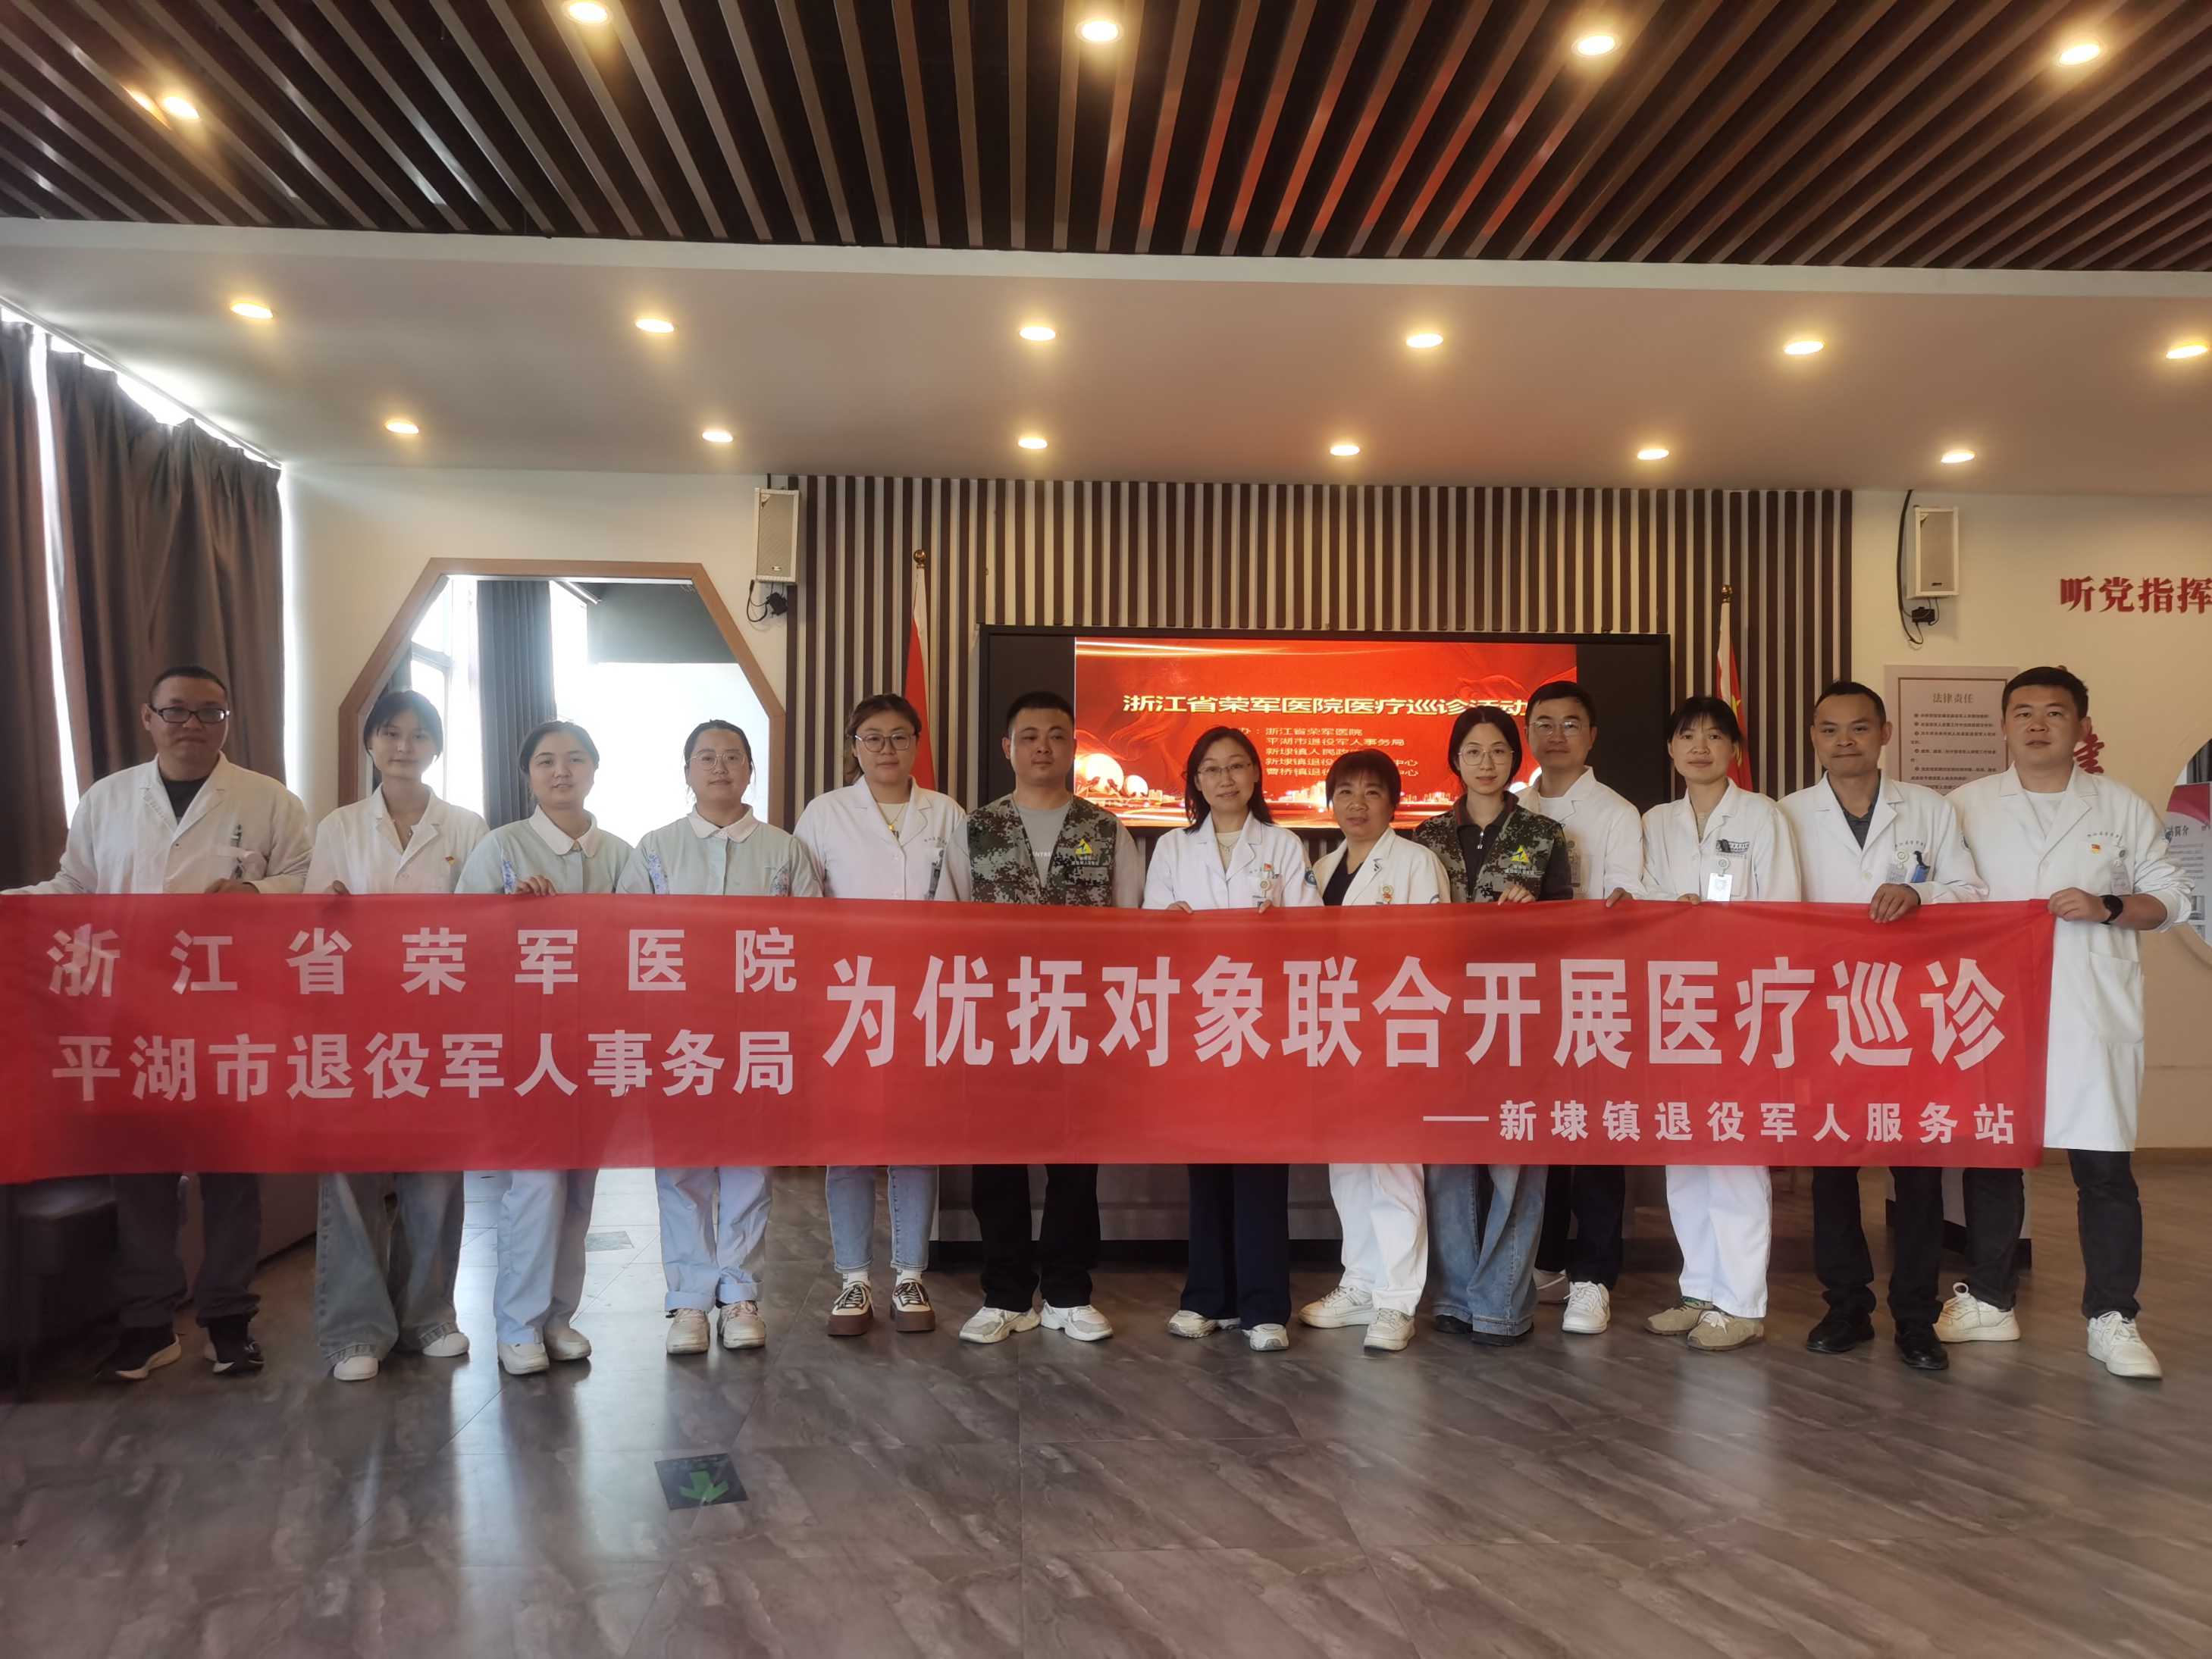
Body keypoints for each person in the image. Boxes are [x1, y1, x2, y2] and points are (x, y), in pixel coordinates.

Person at [9, 664, 312, 1383]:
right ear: (148, 717)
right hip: (132, 1015)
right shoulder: (107, 799)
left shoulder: (270, 800)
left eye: (210, 712)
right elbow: (74, 887)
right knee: (142, 1173)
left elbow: (307, 877)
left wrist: (255, 892)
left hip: (231, 1013)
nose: (192, 724)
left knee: (231, 1175)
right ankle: (148, 1324)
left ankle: (229, 1321)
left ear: (228, 721)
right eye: (176, 710)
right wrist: (10, 905)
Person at [1943, 667, 2191, 1379]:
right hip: (1992, 1008)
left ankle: (2113, 1317)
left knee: (2104, 1168)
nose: (2037, 724)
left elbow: (2172, 897)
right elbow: (1943, 893)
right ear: (2003, 725)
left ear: (2081, 727)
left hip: (2089, 1008)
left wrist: (2108, 905)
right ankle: (1991, 1300)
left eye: (2055, 712)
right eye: (2022, 711)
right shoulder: (1965, 805)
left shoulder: (2119, 805)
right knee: (1995, 1158)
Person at [1781, 681, 1985, 1373]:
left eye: (1860, 727)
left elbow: (1971, 891)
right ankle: (1845, 1306)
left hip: (1910, 1011)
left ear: (1885, 732)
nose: (1845, 741)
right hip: (1824, 1011)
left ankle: (1916, 1316)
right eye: (1830, 729)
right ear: (1814, 737)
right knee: (1833, 1167)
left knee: (1917, 1168)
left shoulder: (1929, 808)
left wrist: (1919, 892)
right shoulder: (1788, 814)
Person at [619, 719, 819, 1357]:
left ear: (750, 769)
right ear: (686, 771)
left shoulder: (784, 850)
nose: (720, 767)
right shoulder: (655, 848)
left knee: (747, 1165)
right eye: (706, 757)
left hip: (758, 1030)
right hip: (677, 1031)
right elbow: (626, 935)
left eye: (733, 756)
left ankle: (739, 1293)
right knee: (681, 1167)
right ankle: (688, 1299)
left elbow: (814, 939)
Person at [305, 689, 490, 1383]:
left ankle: (429, 1315)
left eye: (418, 734)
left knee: (435, 1173)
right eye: (390, 732)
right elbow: (313, 927)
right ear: (371, 744)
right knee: (350, 1173)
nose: (404, 746)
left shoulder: (467, 826)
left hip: (442, 1025)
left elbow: (485, 929)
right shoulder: (340, 826)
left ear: (436, 746)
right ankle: (354, 1329)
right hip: (356, 1022)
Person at [957, 691, 1142, 1347]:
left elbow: (1131, 926)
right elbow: (948, 924)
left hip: (1081, 1018)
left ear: (1073, 747)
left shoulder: (1106, 828)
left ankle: (1067, 1291)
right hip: (995, 1018)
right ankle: (1005, 1294)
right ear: (1007, 748)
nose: (1043, 746)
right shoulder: (974, 828)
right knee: (997, 1162)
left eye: (1057, 735)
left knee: (1074, 1163)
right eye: (1030, 735)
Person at [457, 720, 633, 1377]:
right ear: (527, 774)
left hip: (600, 1041)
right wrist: (510, 912)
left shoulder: (622, 854)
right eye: (546, 760)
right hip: (527, 1044)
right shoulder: (500, 847)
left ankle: (559, 1315)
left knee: (581, 1186)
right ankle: (518, 1322)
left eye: (575, 758)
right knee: (535, 1182)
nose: (562, 771)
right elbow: (461, 942)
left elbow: (643, 945)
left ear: (595, 768)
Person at [793, 693, 970, 1337]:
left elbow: (968, 907)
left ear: (917, 743)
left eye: (899, 736)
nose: (886, 748)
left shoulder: (947, 813)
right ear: (854, 746)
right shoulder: (824, 813)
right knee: (849, 1140)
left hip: (926, 994)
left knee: (915, 1136)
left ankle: (909, 1273)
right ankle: (853, 1279)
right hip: (849, 996)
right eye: (872, 737)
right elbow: (803, 907)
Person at [1631, 694, 1801, 1354]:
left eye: (1713, 735)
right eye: (1686, 735)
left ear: (1735, 749)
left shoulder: (1762, 815)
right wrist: (1669, 909)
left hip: (1742, 1003)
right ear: (1671, 750)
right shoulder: (1657, 820)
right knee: (1684, 1151)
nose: (1699, 747)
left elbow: (1783, 907)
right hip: (1676, 1003)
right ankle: (1698, 1289)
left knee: (1734, 1152)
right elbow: (1642, 897)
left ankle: (1742, 1302)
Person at [1144, 725, 1317, 1351]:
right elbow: (1150, 930)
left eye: (1237, 765)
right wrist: (1168, 925)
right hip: (1199, 1022)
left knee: (1262, 1166)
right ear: (1195, 780)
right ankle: (1206, 1299)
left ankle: (1264, 1307)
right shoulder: (1172, 847)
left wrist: (1282, 926)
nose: (1225, 778)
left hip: (1264, 1024)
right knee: (1208, 1164)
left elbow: (1312, 930)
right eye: (1212, 768)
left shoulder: (1284, 844)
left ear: (1255, 775)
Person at [1410, 705, 1571, 1347]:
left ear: (1515, 758)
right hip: (1442, 1011)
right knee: (1448, 1156)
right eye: (1473, 751)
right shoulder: (1424, 836)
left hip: (1518, 1011)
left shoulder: (1543, 833)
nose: (1486, 762)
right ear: (1455, 759)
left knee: (1515, 1156)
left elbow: (1568, 931)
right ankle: (1454, 1296)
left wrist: (1535, 914)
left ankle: (1501, 1302)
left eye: (1498, 750)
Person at [1299, 748, 1445, 1354]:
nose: (1357, 804)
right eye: (1345, 792)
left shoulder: (1416, 862)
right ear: (1330, 802)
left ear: (1394, 803)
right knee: (1348, 1165)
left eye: (1372, 792)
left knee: (1392, 1165)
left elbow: (1435, 952)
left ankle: (1396, 1299)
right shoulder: (1321, 867)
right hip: (1335, 1031)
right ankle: (1360, 1281)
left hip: (1394, 1031)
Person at [1521, 679, 1643, 1336]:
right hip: (1521, 996)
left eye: (1571, 723)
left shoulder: (1618, 812)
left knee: (1595, 1131)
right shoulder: (1512, 807)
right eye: (1544, 722)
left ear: (1592, 735)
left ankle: (1594, 1276)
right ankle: (1543, 1263)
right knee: (1537, 1130)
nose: (1557, 734)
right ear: (1528, 733)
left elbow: (1624, 906)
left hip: (1595, 991)